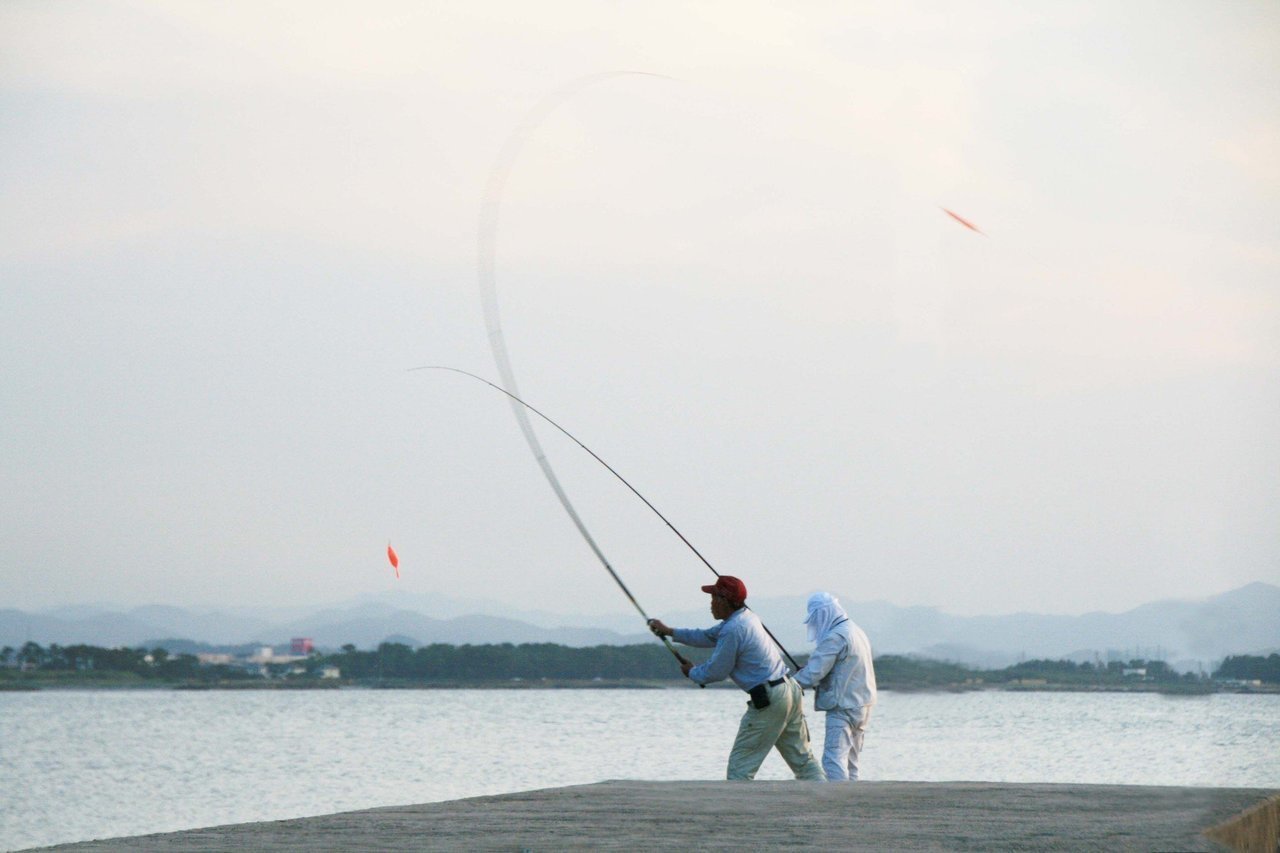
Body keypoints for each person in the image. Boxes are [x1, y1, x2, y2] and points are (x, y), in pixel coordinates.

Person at [648, 576, 824, 782]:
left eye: (713, 598)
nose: (710, 604)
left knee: (739, 769)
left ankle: (740, 805)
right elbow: (706, 636)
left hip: (770, 698)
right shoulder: (746, 618)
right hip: (789, 691)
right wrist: (669, 632)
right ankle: (825, 795)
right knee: (804, 761)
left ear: (724, 601)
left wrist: (693, 673)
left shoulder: (733, 629)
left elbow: (717, 671)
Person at [792, 591, 877, 781]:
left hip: (843, 707)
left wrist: (789, 684)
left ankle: (838, 797)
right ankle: (851, 795)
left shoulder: (835, 637)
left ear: (823, 614)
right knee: (852, 762)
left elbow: (813, 673)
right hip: (863, 705)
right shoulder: (855, 630)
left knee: (833, 759)